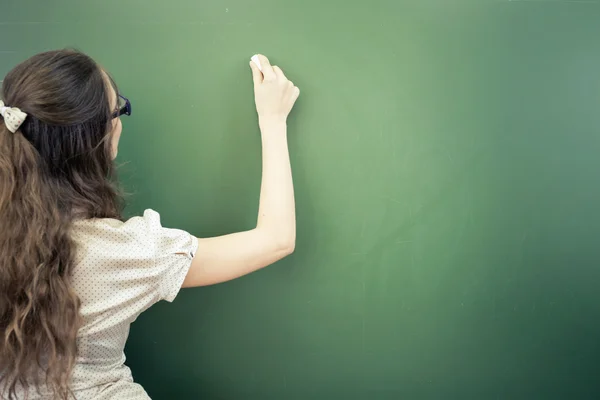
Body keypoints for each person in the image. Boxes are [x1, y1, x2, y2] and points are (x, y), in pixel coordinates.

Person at [0, 49, 299, 399]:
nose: (120, 121)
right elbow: (277, 239)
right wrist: (273, 120)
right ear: (95, 140)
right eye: (118, 110)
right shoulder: (125, 253)